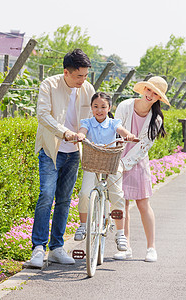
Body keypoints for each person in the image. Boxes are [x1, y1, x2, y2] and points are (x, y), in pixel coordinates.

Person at [25, 49, 95, 268]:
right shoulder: (49, 85)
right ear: (66, 72)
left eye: (85, 76)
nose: (83, 80)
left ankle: (56, 248)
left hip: (74, 152)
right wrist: (64, 132)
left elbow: (94, 116)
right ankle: (38, 249)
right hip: (51, 149)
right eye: (79, 76)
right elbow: (43, 115)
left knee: (64, 199)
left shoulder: (88, 88)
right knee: (46, 195)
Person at [113, 76, 169, 262]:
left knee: (143, 204)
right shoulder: (125, 105)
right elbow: (115, 130)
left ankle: (151, 247)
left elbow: (143, 146)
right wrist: (117, 162)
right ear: (143, 89)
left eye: (155, 94)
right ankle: (125, 246)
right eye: (149, 90)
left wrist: (125, 164)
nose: (150, 95)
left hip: (137, 161)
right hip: (117, 156)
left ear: (159, 98)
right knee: (123, 204)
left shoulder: (156, 118)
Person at [74, 92, 136, 253]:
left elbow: (121, 130)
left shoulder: (113, 122)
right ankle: (83, 225)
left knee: (117, 195)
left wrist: (127, 135)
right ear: (91, 108)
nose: (99, 110)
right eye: (95, 107)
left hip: (111, 161)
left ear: (109, 108)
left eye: (103, 107)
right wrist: (80, 136)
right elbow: (82, 131)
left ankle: (120, 233)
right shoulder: (87, 122)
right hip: (93, 162)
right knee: (84, 193)